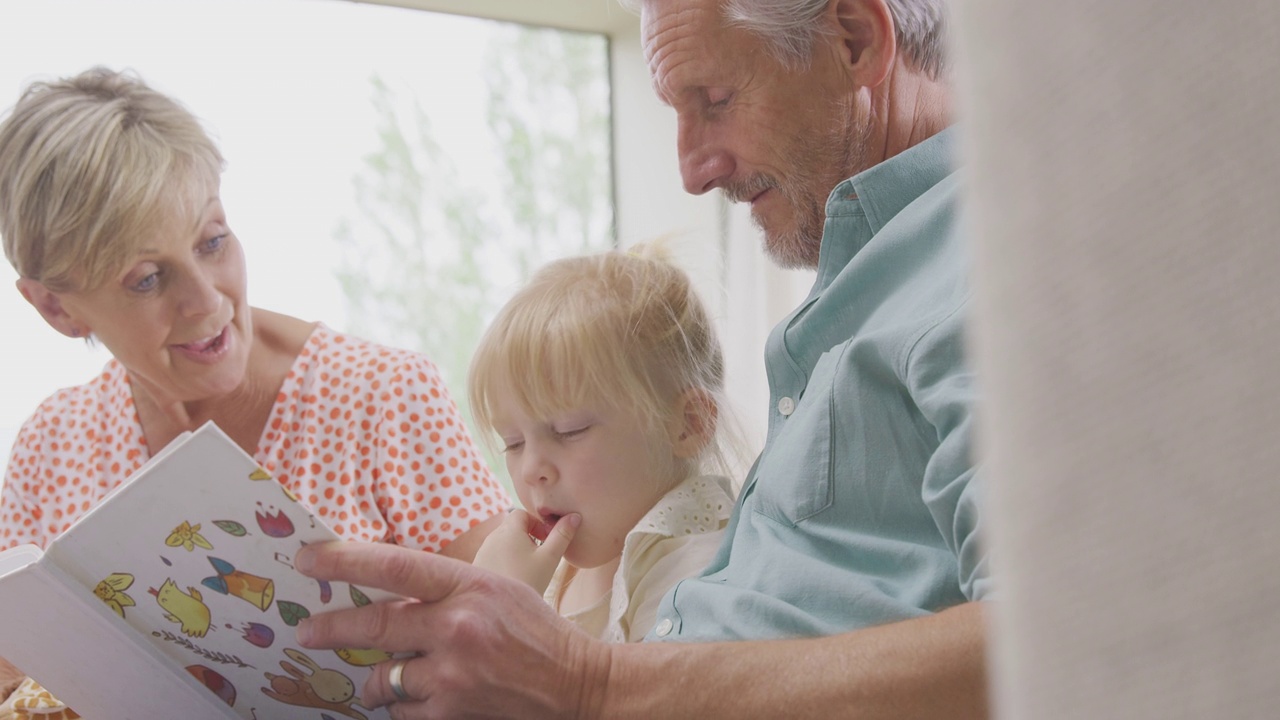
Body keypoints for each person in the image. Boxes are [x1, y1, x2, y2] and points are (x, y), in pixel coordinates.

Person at [295, 0, 992, 716]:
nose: (692, 171)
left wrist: (586, 685)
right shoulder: (864, 293)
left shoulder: (999, 273)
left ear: (854, 39)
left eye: (716, 100)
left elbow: (1058, 630)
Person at [0, 67, 509, 705]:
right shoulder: (51, 445)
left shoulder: (381, 395)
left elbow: (515, 642)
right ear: (55, 309)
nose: (206, 299)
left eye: (213, 242)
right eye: (148, 279)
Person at [468, 246, 739, 643]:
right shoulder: (560, 567)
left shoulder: (699, 574)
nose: (530, 470)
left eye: (568, 430)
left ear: (689, 425)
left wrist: (506, 617)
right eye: (512, 443)